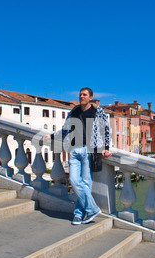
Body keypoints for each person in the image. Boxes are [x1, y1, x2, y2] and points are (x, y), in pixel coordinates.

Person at [45, 87, 112, 225]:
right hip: (74, 150)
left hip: (90, 150)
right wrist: (52, 136)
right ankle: (92, 209)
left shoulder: (98, 111)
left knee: (86, 183)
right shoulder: (74, 111)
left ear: (91, 97)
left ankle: (78, 214)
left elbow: (106, 130)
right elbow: (65, 129)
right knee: (74, 180)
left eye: (84, 95)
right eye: (80, 94)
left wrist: (106, 148)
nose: (81, 96)